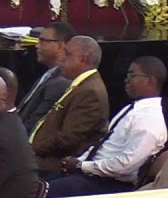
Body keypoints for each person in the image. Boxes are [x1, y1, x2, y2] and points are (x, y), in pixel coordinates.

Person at [46, 57, 168, 195]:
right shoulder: (133, 109)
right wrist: (78, 162)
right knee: (38, 184)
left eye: (132, 75)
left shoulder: (150, 118)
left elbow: (125, 165)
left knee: (45, 190)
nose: (126, 79)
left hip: (112, 184)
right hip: (92, 173)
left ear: (150, 80)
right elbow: (104, 146)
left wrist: (81, 166)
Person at [31, 35, 111, 174]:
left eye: (67, 54)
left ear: (83, 59)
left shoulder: (90, 92)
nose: (61, 58)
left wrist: (32, 148)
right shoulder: (82, 85)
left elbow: (68, 140)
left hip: (53, 165)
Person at [19, 22, 78, 132]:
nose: (37, 45)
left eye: (42, 41)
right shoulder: (48, 75)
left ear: (61, 46)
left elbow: (35, 124)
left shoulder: (60, 82)